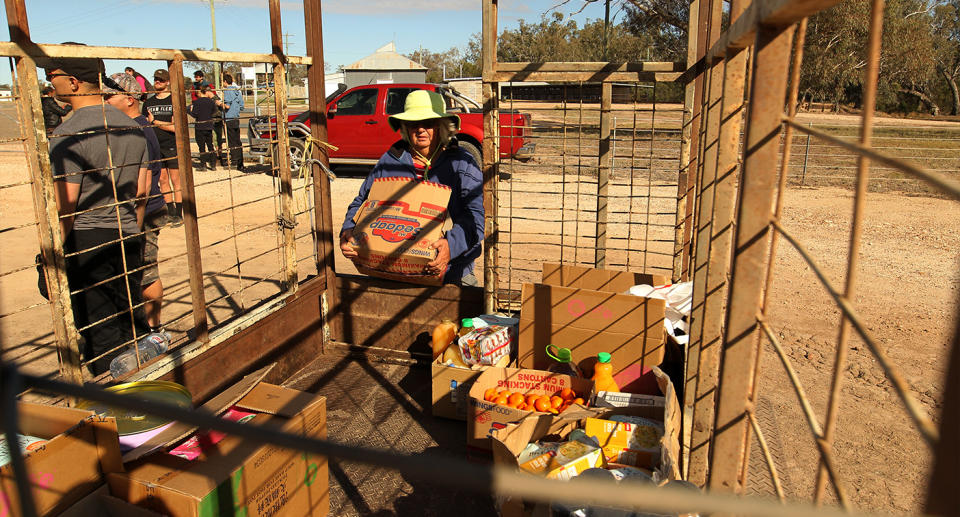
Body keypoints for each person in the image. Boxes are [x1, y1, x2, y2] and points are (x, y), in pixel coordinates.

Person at [39, 49, 151, 375]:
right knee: (132, 322)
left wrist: (52, 254)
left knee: (100, 332)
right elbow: (142, 191)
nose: (50, 85)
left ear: (73, 82)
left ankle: (116, 412)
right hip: (128, 233)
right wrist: (134, 231)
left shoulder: (67, 134)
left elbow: (66, 205)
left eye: (53, 78)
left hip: (88, 238)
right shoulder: (131, 127)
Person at [339, 89, 484, 286]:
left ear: (441, 126)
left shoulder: (461, 162)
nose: (421, 129)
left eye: (429, 123)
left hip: (451, 271)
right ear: (405, 127)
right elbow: (363, 201)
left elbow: (477, 216)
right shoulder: (390, 160)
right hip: (390, 269)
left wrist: (451, 246)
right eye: (414, 123)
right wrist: (348, 229)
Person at [104, 72, 168, 334]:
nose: (105, 101)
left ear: (130, 99)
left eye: (110, 96)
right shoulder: (130, 127)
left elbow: (140, 182)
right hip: (136, 210)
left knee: (146, 272)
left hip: (144, 211)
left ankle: (154, 328)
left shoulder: (138, 129)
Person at [141, 69, 183, 227]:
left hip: (172, 145)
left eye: (161, 80)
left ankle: (179, 214)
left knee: (176, 180)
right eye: (156, 79)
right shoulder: (148, 103)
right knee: (162, 180)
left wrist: (156, 123)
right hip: (155, 146)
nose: (157, 82)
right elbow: (146, 124)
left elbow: (177, 128)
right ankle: (170, 213)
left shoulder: (174, 101)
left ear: (168, 82)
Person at [216, 73, 244, 171]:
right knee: (237, 140)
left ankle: (234, 161)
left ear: (225, 81)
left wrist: (219, 103)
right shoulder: (237, 91)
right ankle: (240, 162)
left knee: (231, 141)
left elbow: (227, 106)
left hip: (229, 118)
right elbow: (242, 105)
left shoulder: (227, 90)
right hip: (236, 117)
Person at [189, 85, 217, 170]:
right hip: (208, 126)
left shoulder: (196, 102)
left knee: (201, 146)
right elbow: (214, 112)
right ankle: (213, 164)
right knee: (210, 145)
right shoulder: (211, 102)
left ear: (201, 92)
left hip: (200, 126)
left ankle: (203, 165)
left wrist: (190, 111)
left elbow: (194, 114)